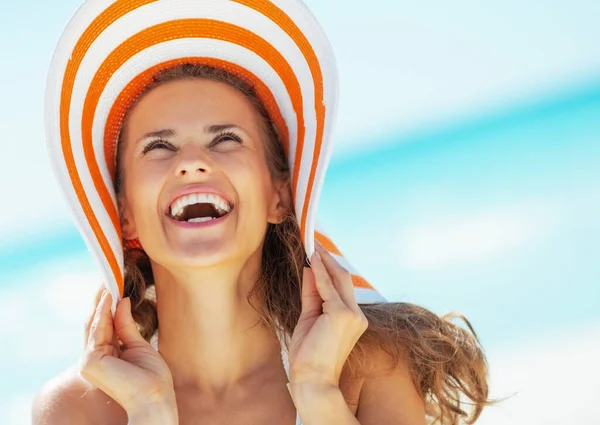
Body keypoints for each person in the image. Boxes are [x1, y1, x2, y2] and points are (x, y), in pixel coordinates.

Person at [33, 1, 491, 424]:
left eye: (226, 139)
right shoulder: (77, 410)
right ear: (124, 215)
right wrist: (149, 411)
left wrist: (317, 394)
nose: (192, 161)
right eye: (159, 146)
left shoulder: (366, 368)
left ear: (279, 197)